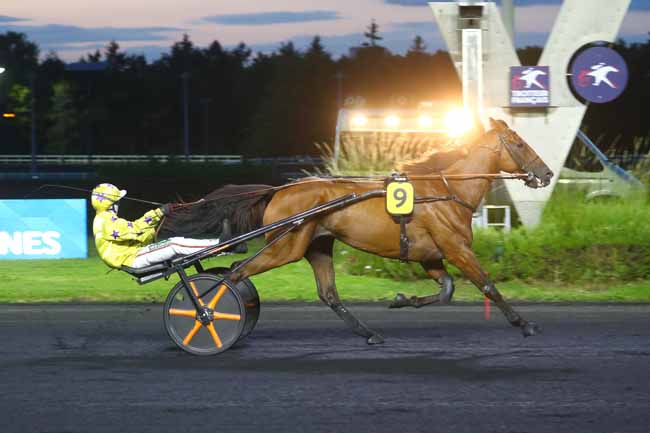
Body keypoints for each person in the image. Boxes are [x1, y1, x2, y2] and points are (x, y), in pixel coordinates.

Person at [91, 183, 222, 269]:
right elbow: (137, 229)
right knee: (173, 244)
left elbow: (140, 235)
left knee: (177, 243)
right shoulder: (105, 221)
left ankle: (219, 247)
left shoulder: (106, 219)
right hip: (132, 259)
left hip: (133, 255)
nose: (119, 204)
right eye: (117, 201)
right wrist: (158, 213)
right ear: (111, 204)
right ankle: (219, 245)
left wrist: (157, 225)